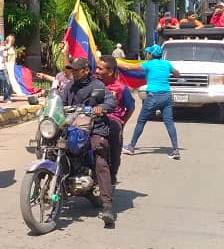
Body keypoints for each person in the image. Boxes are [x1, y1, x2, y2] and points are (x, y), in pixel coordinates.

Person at [59, 57, 118, 225]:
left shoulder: (97, 86)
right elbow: (61, 102)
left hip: (94, 128)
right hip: (73, 128)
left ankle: (107, 206)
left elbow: (111, 100)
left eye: (77, 70)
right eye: (72, 69)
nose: (74, 72)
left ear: (86, 70)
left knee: (100, 160)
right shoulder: (70, 86)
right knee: (52, 146)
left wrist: (101, 108)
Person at [123, 44, 181, 159]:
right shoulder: (167, 64)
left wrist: (114, 62)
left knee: (141, 121)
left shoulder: (148, 64)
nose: (147, 54)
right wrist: (173, 73)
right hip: (166, 96)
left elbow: (128, 67)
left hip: (153, 96)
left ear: (151, 55)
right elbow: (177, 74)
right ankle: (175, 150)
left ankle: (131, 147)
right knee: (169, 123)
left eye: (148, 53)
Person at [97, 56, 135, 184]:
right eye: (96, 68)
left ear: (110, 72)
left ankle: (111, 177)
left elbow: (130, 108)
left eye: (99, 69)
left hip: (112, 121)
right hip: (92, 119)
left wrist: (122, 122)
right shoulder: (93, 83)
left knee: (114, 141)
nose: (96, 71)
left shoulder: (121, 88)